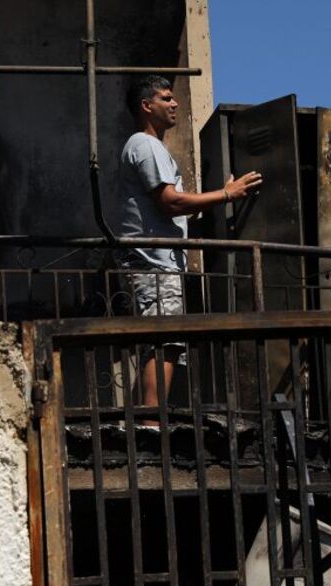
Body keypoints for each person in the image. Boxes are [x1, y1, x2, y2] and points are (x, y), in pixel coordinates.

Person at [116, 75, 262, 415]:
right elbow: (171, 202)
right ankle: (151, 430)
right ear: (146, 105)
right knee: (164, 343)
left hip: (151, 263)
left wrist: (213, 201)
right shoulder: (145, 144)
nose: (175, 103)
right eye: (166, 98)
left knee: (159, 343)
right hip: (153, 265)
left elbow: (171, 211)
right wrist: (228, 194)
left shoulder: (148, 147)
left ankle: (144, 425)